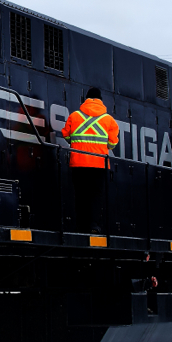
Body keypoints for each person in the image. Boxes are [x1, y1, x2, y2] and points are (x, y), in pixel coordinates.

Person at [60, 87, 120, 233]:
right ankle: (93, 225)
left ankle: (80, 226)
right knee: (95, 195)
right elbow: (112, 144)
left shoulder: (74, 116)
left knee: (80, 195)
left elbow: (67, 136)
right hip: (99, 164)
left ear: (85, 99)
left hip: (78, 162)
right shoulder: (109, 120)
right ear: (101, 101)